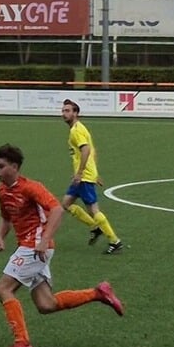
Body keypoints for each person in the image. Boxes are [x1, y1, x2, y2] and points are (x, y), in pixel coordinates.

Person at [0, 143, 125, 347]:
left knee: (3, 289)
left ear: (14, 167)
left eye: (1, 166)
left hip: (35, 247)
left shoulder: (31, 187)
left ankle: (22, 344)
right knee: (46, 304)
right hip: (30, 247)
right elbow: (6, 217)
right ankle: (98, 293)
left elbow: (57, 210)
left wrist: (44, 240)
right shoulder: (2, 190)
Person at [59, 100, 123, 254]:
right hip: (84, 175)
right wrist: (95, 173)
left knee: (94, 210)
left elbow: (86, 150)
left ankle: (114, 241)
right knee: (66, 204)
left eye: (67, 111)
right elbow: (93, 151)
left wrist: (81, 173)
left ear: (75, 113)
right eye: (63, 111)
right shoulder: (79, 128)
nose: (64, 114)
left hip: (83, 177)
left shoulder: (76, 130)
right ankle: (95, 227)